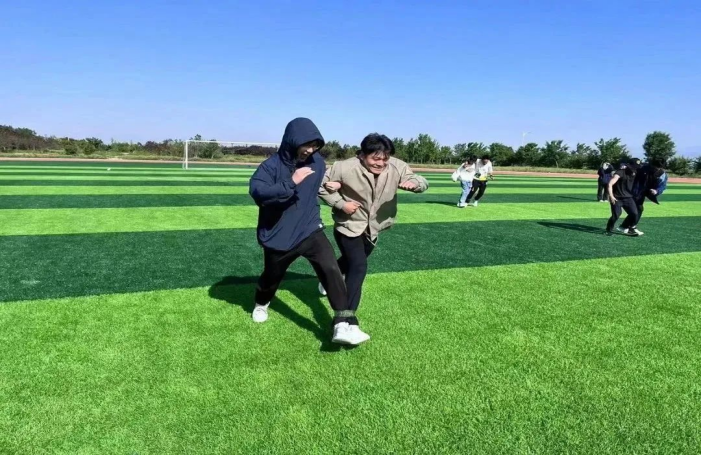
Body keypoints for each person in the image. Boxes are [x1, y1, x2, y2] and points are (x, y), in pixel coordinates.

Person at [248, 117, 366, 345]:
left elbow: (323, 184)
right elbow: (258, 192)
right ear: (292, 141)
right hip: (279, 235)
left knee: (331, 269)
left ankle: (342, 324)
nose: (310, 150)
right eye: (307, 145)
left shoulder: (317, 162)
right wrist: (290, 182)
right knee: (271, 278)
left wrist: (336, 184)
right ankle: (261, 303)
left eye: (315, 145)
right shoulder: (270, 166)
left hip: (310, 228)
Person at [318, 133, 429, 340]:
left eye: (385, 158)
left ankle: (328, 279)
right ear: (362, 155)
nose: (381, 163)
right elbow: (320, 185)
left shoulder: (397, 166)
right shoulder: (344, 167)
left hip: (374, 228)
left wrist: (415, 184)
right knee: (359, 266)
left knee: (351, 262)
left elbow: (420, 180)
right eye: (375, 158)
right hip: (348, 225)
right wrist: (341, 203)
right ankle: (344, 322)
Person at [630, 158, 668, 234]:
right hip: (634, 191)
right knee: (637, 209)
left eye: (659, 167)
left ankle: (629, 226)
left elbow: (663, 185)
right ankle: (630, 227)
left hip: (644, 192)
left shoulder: (662, 174)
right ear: (652, 165)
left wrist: (656, 191)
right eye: (655, 167)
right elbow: (631, 165)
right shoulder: (643, 168)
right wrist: (624, 166)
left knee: (638, 209)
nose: (657, 169)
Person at [605, 161, 641, 236]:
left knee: (634, 213)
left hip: (628, 198)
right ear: (629, 166)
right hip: (617, 198)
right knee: (616, 215)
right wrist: (611, 196)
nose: (635, 169)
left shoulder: (635, 173)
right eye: (634, 167)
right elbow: (610, 184)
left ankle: (627, 228)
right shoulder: (620, 172)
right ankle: (608, 229)